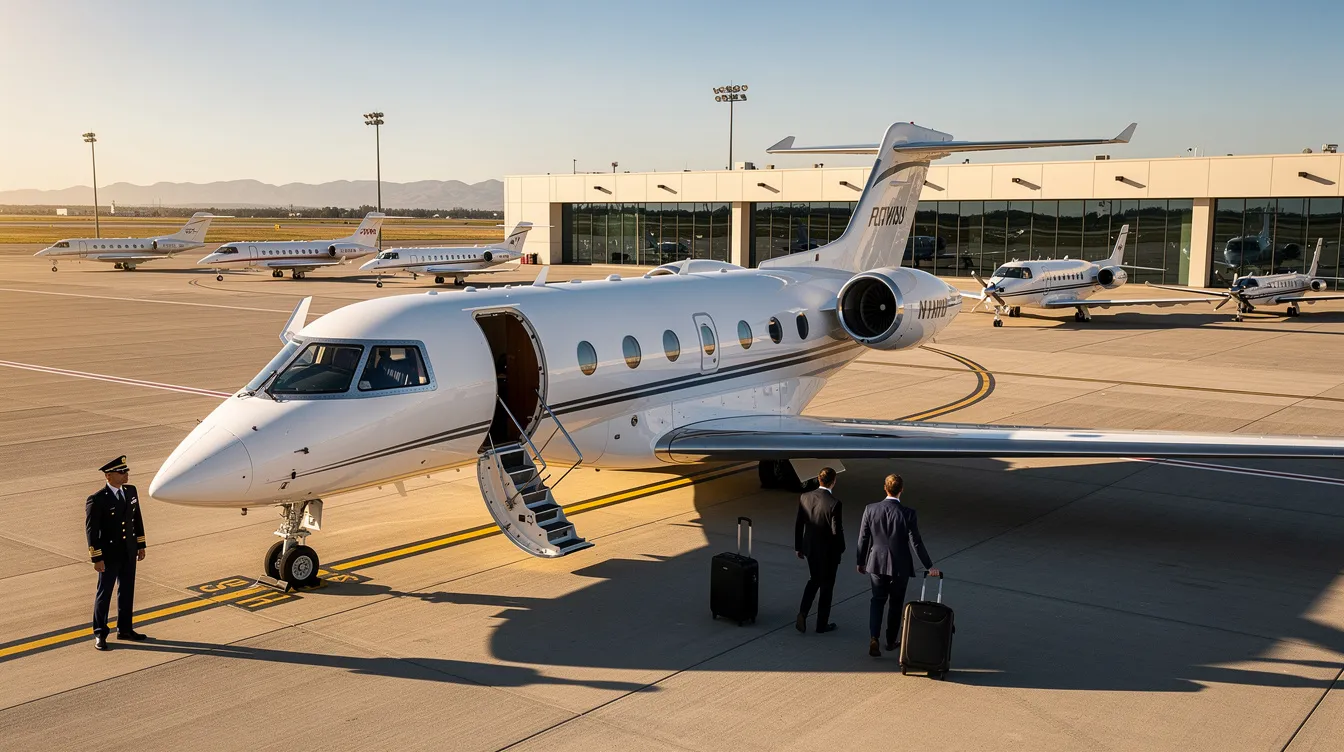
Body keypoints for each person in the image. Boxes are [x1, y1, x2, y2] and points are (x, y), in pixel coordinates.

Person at [855, 473, 940, 657]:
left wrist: (860, 561)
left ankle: (873, 637)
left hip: (876, 562)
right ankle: (891, 640)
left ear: (885, 488)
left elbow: (863, 538)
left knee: (877, 601)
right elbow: (916, 542)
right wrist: (928, 565)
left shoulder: (870, 509)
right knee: (895, 604)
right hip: (900, 565)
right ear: (901, 490)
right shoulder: (908, 513)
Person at [86, 455, 147, 650]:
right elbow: (92, 531)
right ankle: (100, 633)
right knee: (104, 594)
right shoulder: (97, 500)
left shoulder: (130, 491)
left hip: (128, 551)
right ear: (109, 476)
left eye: (126, 471)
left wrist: (140, 544)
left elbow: (136, 518)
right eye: (122, 472)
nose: (126, 475)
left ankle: (125, 629)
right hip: (110, 555)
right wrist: (97, 557)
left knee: (127, 591)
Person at [794, 467, 844, 634]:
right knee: (827, 586)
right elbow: (836, 531)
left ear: (818, 479)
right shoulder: (834, 503)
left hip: (810, 548)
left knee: (814, 580)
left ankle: (802, 612)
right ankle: (821, 624)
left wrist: (798, 547)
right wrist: (841, 549)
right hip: (828, 552)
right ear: (833, 481)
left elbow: (799, 524)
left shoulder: (805, 497)